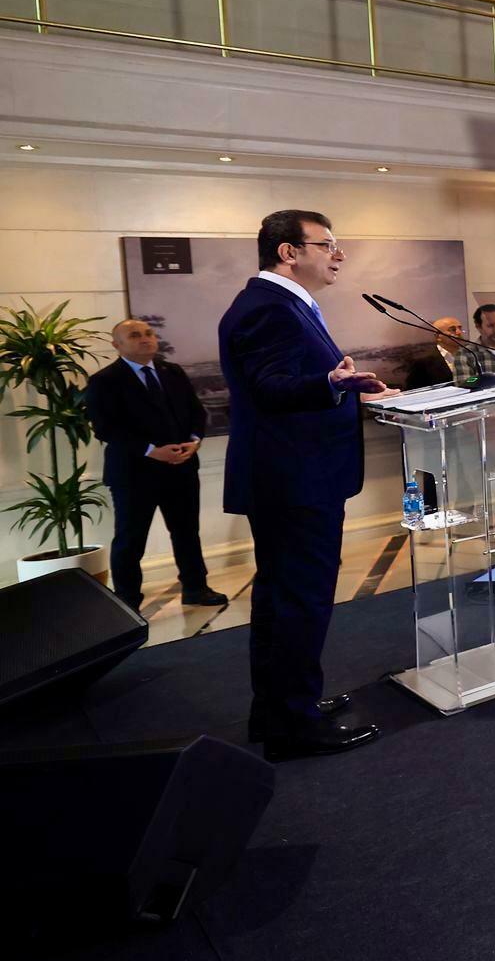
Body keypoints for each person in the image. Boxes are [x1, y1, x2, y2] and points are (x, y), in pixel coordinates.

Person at [218, 209, 383, 758]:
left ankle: (279, 711)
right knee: (301, 601)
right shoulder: (269, 308)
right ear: (288, 252)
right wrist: (330, 382)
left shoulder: (284, 305)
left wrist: (345, 385)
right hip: (295, 481)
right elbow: (272, 387)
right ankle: (294, 726)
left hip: (293, 476)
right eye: (327, 244)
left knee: (280, 598)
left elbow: (287, 383)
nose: (338, 255)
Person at [86, 318, 224, 610]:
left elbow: (196, 412)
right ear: (117, 345)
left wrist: (195, 440)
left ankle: (196, 588)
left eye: (148, 333)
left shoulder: (171, 372)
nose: (145, 339)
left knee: (187, 532)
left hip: (181, 467)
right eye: (135, 335)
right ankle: (127, 602)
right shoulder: (105, 381)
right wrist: (151, 451)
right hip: (134, 474)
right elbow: (105, 428)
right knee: (130, 539)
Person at [403, 316, 466, 389]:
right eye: (452, 329)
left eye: (460, 328)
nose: (459, 332)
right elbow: (414, 389)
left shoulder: (471, 354)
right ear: (438, 336)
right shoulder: (423, 362)